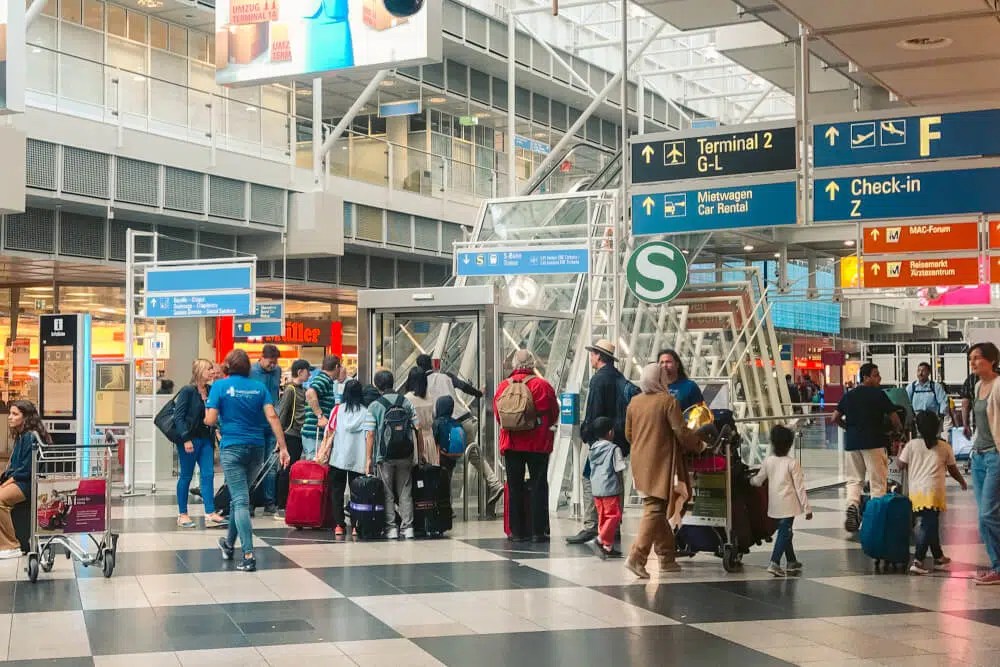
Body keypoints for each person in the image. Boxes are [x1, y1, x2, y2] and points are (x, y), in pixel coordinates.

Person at [205, 349, 290, 572]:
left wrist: (209, 409)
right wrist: (283, 447)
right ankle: (228, 544)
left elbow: (210, 419)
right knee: (239, 498)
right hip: (257, 448)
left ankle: (249, 554)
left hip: (232, 447)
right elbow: (272, 416)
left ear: (228, 365)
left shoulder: (220, 387)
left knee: (241, 501)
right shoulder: (259, 388)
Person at [624, 363, 705, 579]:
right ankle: (637, 557)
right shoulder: (668, 401)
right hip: (660, 461)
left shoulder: (634, 402)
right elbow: (681, 431)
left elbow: (628, 433)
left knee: (655, 507)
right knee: (655, 508)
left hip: (639, 460)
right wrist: (699, 445)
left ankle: (667, 556)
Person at [417, 354, 503, 508]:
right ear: (432, 365)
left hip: (446, 426)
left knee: (444, 464)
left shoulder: (422, 383)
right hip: (465, 419)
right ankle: (494, 483)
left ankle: (446, 504)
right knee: (474, 455)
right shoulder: (446, 376)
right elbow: (464, 386)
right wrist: (480, 393)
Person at [494, 349, 558, 543]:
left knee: (514, 486)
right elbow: (553, 413)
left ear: (514, 364)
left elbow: (498, 415)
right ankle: (539, 531)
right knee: (539, 484)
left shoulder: (503, 386)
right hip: (537, 443)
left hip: (512, 443)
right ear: (532, 364)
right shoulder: (542, 385)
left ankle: (517, 531)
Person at [569, 338, 627, 545]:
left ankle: (592, 525)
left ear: (599, 356)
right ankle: (614, 523)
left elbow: (594, 409)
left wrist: (588, 433)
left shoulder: (598, 379)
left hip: (601, 439)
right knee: (615, 479)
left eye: (592, 354)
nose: (590, 357)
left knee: (589, 477)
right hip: (618, 438)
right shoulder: (619, 377)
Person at [831, 362, 901, 533]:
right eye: (876, 375)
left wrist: (848, 428)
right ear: (866, 377)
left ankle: (853, 505)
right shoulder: (878, 395)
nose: (879, 378)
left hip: (853, 443)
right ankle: (875, 519)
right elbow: (895, 418)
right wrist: (895, 433)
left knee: (854, 479)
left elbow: (834, 417)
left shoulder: (849, 395)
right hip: (874, 442)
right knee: (878, 482)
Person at [897, 410, 967, 576]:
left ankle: (938, 556)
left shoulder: (912, 445)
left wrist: (900, 450)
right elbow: (953, 469)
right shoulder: (944, 447)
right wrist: (962, 481)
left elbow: (900, 465)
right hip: (934, 492)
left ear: (918, 428)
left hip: (917, 493)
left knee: (930, 524)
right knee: (928, 526)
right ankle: (919, 560)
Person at [364, 370, 422, 540]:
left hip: (384, 457)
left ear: (377, 386)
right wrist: (421, 454)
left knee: (387, 492)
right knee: (405, 491)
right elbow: (418, 428)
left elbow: (370, 434)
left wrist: (369, 459)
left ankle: (391, 528)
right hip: (406, 454)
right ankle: (408, 527)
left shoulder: (374, 406)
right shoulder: (406, 402)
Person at [751, 425, 812, 577]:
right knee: (785, 532)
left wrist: (750, 480)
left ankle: (791, 561)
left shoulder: (768, 461)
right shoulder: (792, 463)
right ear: (790, 444)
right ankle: (774, 562)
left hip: (774, 505)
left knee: (785, 533)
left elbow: (758, 481)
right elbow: (800, 488)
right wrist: (807, 508)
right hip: (789, 506)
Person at [173, 359, 226, 528]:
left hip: (206, 440)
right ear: (200, 371)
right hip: (190, 439)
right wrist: (185, 438)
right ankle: (182, 514)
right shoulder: (188, 391)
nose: (212, 372)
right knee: (186, 476)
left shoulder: (211, 390)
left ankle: (210, 512)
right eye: (209, 369)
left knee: (208, 474)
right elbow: (178, 417)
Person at [316, 379, 368, 540]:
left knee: (337, 491)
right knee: (357, 493)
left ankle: (339, 524)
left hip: (338, 457)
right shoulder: (366, 412)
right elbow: (369, 435)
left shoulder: (337, 410)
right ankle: (356, 525)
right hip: (357, 458)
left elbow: (330, 430)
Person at [966, 342, 1000, 585]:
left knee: (989, 514)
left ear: (991, 360)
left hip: (995, 456)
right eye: (971, 358)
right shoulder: (978, 386)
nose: (973, 362)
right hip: (978, 456)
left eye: (977, 357)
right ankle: (997, 566)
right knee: (983, 516)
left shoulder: (998, 386)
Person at [0, 401, 49, 558]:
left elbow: (25, 470)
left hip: (27, 484)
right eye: (10, 413)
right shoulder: (22, 436)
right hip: (20, 481)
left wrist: (6, 483)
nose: (10, 417)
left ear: (26, 417)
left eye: (15, 414)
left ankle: (11, 544)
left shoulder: (29, 437)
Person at [273, 359, 311, 520]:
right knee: (285, 469)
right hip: (290, 434)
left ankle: (287, 502)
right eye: (307, 371)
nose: (309, 374)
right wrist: (279, 438)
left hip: (298, 434)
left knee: (291, 469)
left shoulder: (303, 389)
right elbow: (282, 413)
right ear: (300, 371)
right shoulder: (291, 390)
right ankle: (280, 506)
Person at [586, 416, 626, 559]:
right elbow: (619, 468)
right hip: (610, 488)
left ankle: (607, 546)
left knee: (603, 517)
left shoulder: (592, 449)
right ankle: (600, 539)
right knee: (614, 515)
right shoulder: (614, 449)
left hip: (597, 489)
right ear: (610, 432)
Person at [252, 344, 282, 515]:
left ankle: (270, 502)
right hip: (256, 424)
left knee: (271, 466)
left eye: (275, 362)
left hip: (272, 424)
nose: (273, 365)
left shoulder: (277, 371)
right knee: (255, 465)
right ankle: (251, 502)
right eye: (270, 362)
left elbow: (276, 395)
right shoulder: (251, 372)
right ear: (261, 358)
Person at [302, 355, 342, 460]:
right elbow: (310, 393)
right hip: (314, 433)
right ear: (337, 367)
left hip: (315, 433)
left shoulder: (324, 379)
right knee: (314, 469)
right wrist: (320, 416)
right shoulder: (323, 379)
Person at [404, 367, 439, 465]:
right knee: (429, 470)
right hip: (430, 438)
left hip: (415, 440)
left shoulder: (407, 399)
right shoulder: (430, 397)